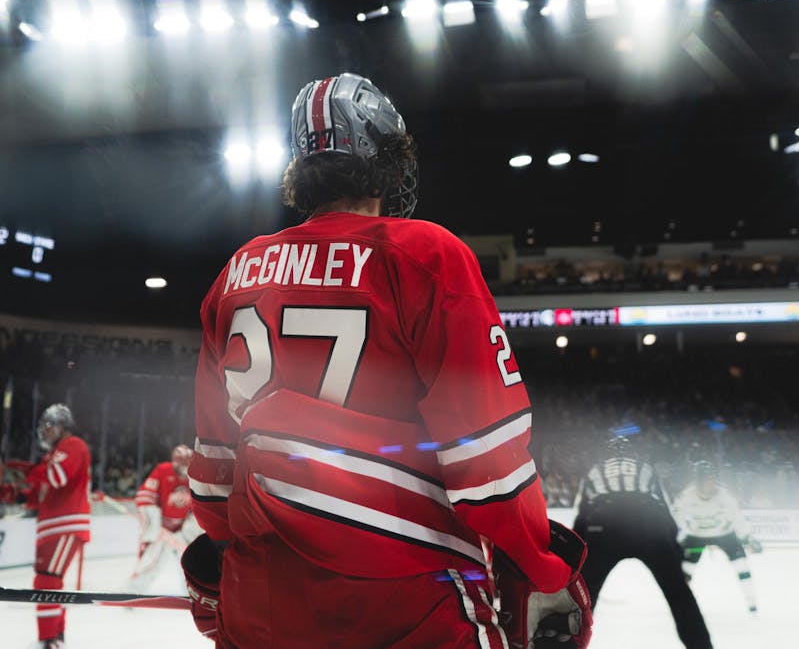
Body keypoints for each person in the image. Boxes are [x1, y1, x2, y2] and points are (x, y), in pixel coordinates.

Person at [184, 73, 592, 649]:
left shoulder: (238, 272)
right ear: (387, 159)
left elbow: (213, 477)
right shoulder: (426, 254)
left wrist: (238, 561)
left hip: (262, 601)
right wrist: (542, 566)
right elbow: (488, 466)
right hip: (406, 594)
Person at [572, 436, 713, 649]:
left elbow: (582, 515)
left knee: (583, 597)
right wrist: (676, 556)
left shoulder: (595, 470)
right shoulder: (645, 468)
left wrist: (577, 563)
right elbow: (665, 510)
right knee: (679, 594)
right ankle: (701, 646)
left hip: (604, 523)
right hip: (648, 524)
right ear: (632, 455)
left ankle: (569, 645)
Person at [0, 404, 91, 649]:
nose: (45, 430)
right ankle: (54, 637)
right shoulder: (51, 457)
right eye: (44, 426)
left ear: (64, 426)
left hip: (65, 525)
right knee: (48, 582)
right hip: (51, 527)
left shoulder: (73, 445)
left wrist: (28, 470)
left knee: (47, 581)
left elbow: (57, 477)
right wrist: (10, 493)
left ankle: (49, 639)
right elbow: (38, 495)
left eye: (50, 425)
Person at [674, 461, 761, 614]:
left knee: (742, 566)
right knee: (686, 571)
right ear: (699, 481)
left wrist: (748, 536)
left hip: (725, 535)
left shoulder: (724, 495)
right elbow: (676, 517)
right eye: (707, 479)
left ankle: (752, 604)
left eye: (713, 479)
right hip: (697, 537)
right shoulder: (686, 496)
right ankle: (681, 604)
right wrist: (676, 537)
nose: (711, 483)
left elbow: (737, 517)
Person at [125, 444, 202, 594]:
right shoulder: (162, 470)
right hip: (161, 529)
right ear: (175, 463)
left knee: (190, 565)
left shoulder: (196, 476)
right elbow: (145, 496)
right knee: (151, 563)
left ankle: (192, 595)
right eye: (182, 466)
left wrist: (190, 528)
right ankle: (131, 594)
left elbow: (200, 504)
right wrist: (154, 526)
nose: (185, 471)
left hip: (183, 530)